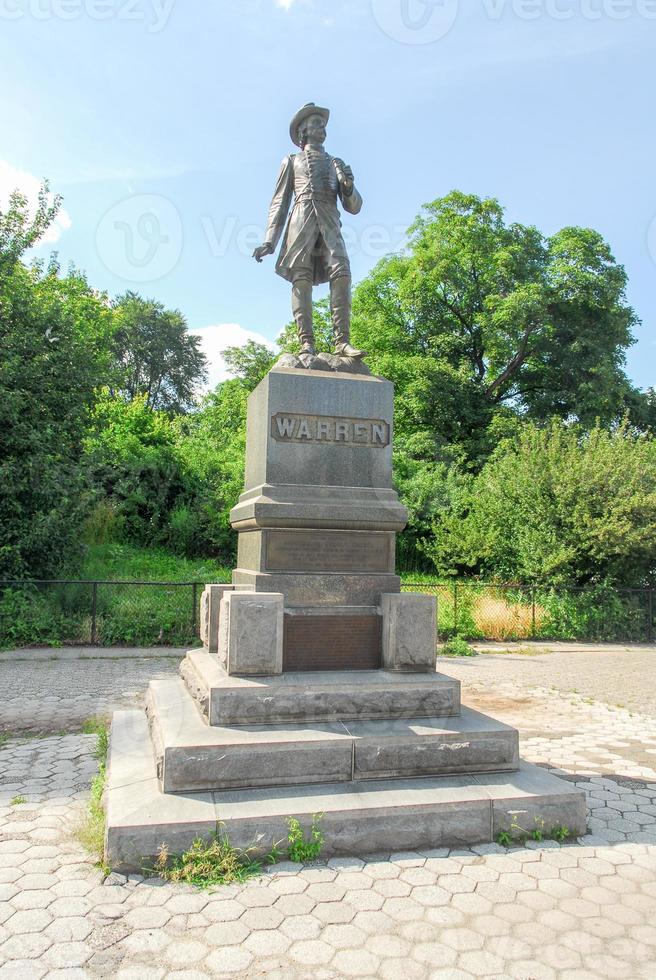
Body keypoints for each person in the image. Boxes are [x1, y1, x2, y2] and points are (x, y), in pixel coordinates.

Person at [253, 103, 365, 359]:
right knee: (300, 279)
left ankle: (342, 342)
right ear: (303, 131)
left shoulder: (335, 162)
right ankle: (306, 343)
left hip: (329, 221)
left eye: (323, 124)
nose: (322, 128)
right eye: (316, 123)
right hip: (300, 221)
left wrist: (348, 187)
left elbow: (354, 206)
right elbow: (279, 203)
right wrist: (269, 241)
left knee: (343, 272)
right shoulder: (291, 161)